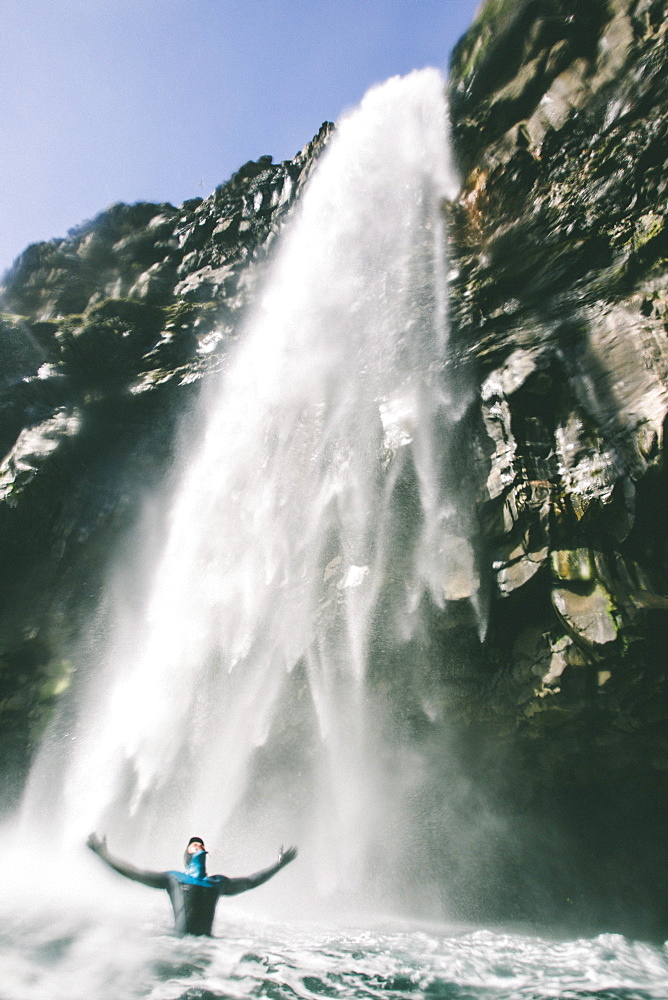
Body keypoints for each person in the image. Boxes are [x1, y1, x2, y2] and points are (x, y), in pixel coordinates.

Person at [87, 832, 297, 936]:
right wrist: (103, 855)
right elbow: (134, 873)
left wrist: (279, 864)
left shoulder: (217, 882)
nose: (199, 845)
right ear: (187, 855)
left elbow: (251, 881)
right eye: (193, 845)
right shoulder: (174, 879)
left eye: (201, 845)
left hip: (206, 950)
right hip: (181, 949)